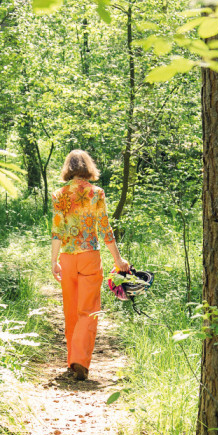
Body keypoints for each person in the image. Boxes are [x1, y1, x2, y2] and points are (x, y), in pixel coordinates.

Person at [50, 150, 129, 381]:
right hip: (90, 257)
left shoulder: (59, 195)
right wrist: (118, 259)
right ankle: (80, 361)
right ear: (88, 167)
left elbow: (57, 231)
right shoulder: (96, 193)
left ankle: (72, 361)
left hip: (67, 257)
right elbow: (105, 229)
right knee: (88, 310)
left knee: (71, 310)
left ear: (68, 168)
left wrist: (53, 261)